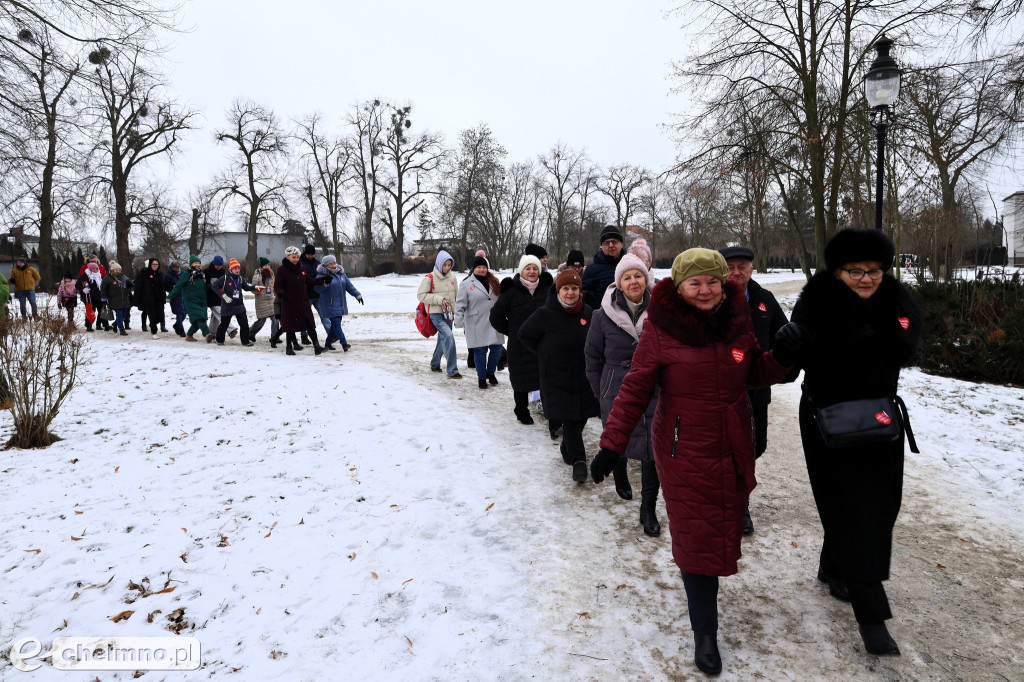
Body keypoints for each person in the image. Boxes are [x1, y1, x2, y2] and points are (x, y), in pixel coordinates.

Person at [591, 248, 792, 675]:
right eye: (695, 283)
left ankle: (705, 614)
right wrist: (612, 445)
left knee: (719, 528)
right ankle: (705, 635)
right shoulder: (660, 330)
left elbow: (754, 371)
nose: (705, 290)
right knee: (696, 538)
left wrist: (786, 357)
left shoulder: (737, 322)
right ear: (679, 288)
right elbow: (635, 388)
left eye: (713, 281)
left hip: (733, 442)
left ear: (724, 284)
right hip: (682, 449)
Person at [771, 229, 921, 657]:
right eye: (855, 270)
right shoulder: (817, 302)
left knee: (883, 503)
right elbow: (787, 368)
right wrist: (786, 345)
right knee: (851, 509)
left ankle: (832, 565)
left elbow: (905, 345)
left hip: (878, 417)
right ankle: (872, 617)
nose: (865, 278)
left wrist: (876, 322)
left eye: (873, 270)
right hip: (828, 420)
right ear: (837, 271)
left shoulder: (896, 299)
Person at [584, 252, 661, 534]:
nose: (633, 281)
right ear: (618, 283)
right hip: (615, 388)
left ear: (646, 279)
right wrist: (601, 390)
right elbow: (592, 357)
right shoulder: (602, 316)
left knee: (653, 450)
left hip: (654, 391)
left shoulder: (662, 312)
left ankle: (648, 507)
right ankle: (620, 475)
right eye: (627, 277)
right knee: (619, 439)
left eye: (638, 275)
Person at [719, 245, 789, 535]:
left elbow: (783, 336)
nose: (736, 272)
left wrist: (779, 363)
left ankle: (735, 494)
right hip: (721, 394)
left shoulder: (764, 300)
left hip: (757, 392)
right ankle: (738, 505)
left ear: (751, 269)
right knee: (729, 449)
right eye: (730, 267)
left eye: (742, 267)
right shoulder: (713, 298)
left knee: (756, 446)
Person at [518, 269, 599, 482]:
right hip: (556, 377)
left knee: (581, 417)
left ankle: (567, 446)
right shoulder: (545, 314)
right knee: (570, 419)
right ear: (558, 291)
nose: (570, 293)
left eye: (574, 288)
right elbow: (524, 335)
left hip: (584, 377)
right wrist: (545, 353)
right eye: (565, 288)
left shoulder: (588, 313)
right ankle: (579, 462)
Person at [489, 255, 554, 424]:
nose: (532, 272)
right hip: (520, 345)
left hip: (543, 343)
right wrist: (513, 331)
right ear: (521, 271)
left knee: (546, 377)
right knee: (521, 378)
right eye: (528, 268)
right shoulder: (511, 291)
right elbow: (495, 316)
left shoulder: (547, 289)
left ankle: (549, 408)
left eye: (535, 268)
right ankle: (521, 409)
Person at [454, 255, 504, 389]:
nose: (482, 270)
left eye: (484, 267)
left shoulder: (494, 281)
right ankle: (482, 377)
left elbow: (500, 300)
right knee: (480, 350)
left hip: (494, 321)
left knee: (497, 348)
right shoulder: (466, 284)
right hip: (476, 321)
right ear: (474, 269)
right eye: (479, 267)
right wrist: (458, 320)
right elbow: (460, 305)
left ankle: (490, 373)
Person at [275, 246, 328, 355]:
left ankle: (316, 346)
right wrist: (280, 292)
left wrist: (322, 280)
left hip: (303, 301)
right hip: (289, 301)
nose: (296, 259)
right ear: (287, 257)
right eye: (293, 257)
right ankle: (289, 347)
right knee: (290, 325)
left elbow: (309, 281)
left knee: (310, 323)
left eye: (298, 257)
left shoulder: (302, 268)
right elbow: (277, 285)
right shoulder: (282, 269)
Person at [417, 250, 461, 378]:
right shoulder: (429, 278)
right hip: (436, 314)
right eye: (444, 264)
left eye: (449, 265)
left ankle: (435, 364)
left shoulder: (453, 277)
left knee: (443, 339)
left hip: (449, 314)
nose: (447, 267)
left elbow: (456, 296)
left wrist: (456, 312)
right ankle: (452, 370)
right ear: (439, 263)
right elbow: (421, 295)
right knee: (448, 336)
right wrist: (439, 300)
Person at [315, 255, 363, 351]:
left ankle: (328, 343)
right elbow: (317, 289)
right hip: (329, 304)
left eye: (334, 263)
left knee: (334, 325)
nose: (333, 265)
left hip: (340, 303)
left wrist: (357, 295)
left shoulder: (341, 274)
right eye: (330, 264)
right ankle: (344, 343)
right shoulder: (321, 275)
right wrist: (325, 284)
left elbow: (349, 286)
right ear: (325, 265)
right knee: (336, 324)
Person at [211, 258, 255, 346]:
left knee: (244, 324)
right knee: (224, 324)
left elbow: (246, 287)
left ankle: (245, 341)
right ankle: (219, 340)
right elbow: (214, 286)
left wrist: (255, 287)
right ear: (231, 269)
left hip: (239, 305)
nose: (237, 270)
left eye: (238, 268)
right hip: (227, 305)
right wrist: (223, 295)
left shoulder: (240, 278)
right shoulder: (225, 278)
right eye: (235, 269)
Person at [166, 256, 210, 342]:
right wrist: (170, 297)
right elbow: (178, 286)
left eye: (198, 263)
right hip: (191, 301)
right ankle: (207, 334)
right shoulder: (187, 274)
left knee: (200, 319)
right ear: (191, 264)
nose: (197, 264)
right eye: (195, 263)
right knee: (200, 318)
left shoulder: (202, 274)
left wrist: (211, 286)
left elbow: (205, 287)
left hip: (202, 300)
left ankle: (189, 336)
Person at [582, 226, 624, 308]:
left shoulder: (630, 265)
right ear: (602, 246)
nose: (611, 245)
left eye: (614, 241)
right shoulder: (591, 270)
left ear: (621, 243)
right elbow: (583, 293)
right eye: (606, 243)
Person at [204, 255, 236, 341]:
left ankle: (211, 334)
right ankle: (231, 329)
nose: (219, 267)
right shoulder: (207, 272)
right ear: (214, 263)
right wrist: (211, 286)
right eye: (217, 265)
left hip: (221, 297)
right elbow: (203, 285)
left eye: (220, 265)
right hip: (211, 297)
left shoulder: (224, 272)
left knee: (215, 316)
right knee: (220, 313)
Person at [135, 257, 168, 338]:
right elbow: (138, 286)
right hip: (148, 298)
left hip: (158, 298)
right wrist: (137, 299)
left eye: (157, 264)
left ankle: (153, 324)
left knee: (160, 315)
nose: (155, 266)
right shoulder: (143, 273)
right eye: (153, 264)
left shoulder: (160, 274)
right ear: (150, 264)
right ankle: (154, 332)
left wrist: (163, 297)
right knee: (152, 315)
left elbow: (162, 286)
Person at [249, 257, 278, 343]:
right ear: (262, 266)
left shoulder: (271, 274)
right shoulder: (257, 276)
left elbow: (274, 286)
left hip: (271, 301)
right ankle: (250, 333)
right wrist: (258, 290)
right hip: (261, 302)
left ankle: (275, 337)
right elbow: (252, 289)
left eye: (268, 265)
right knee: (261, 321)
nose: (268, 267)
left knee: (275, 320)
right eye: (265, 265)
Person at [101, 261, 133, 336]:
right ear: (112, 270)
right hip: (114, 300)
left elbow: (130, 286)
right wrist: (104, 299)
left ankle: (115, 324)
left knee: (125, 315)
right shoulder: (107, 278)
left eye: (119, 269)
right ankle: (122, 330)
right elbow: (103, 288)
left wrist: (131, 284)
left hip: (125, 299)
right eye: (116, 270)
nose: (118, 271)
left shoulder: (124, 277)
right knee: (119, 314)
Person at [76, 263, 109, 331]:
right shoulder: (85, 276)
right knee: (91, 311)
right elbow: (77, 285)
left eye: (96, 268)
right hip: (89, 297)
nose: (95, 270)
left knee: (102, 310)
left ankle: (104, 325)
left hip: (100, 296)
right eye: (93, 269)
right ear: (90, 269)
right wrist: (83, 289)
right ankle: (89, 326)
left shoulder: (100, 276)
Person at [300, 244, 322, 345]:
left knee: (324, 315)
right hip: (306, 295)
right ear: (305, 253)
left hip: (317, 294)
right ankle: (304, 336)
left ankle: (332, 334)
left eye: (312, 254)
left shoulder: (318, 264)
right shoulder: (301, 264)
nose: (311, 256)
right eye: (309, 254)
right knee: (305, 317)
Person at [164, 261, 187, 336]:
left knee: (184, 313)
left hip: (184, 296)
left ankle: (176, 325)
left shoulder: (183, 273)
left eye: (178, 268)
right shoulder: (168, 275)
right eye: (175, 268)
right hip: (175, 297)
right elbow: (166, 286)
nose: (177, 269)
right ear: (172, 267)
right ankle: (181, 330)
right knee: (179, 313)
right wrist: (172, 287)